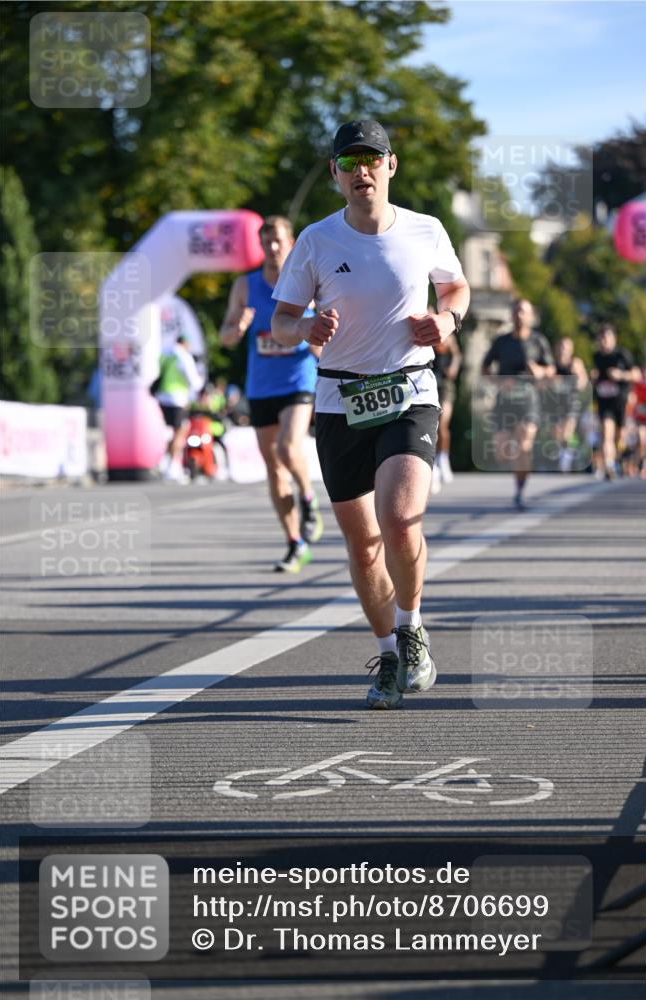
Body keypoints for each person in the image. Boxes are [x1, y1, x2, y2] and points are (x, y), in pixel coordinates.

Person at [271, 119, 470, 709]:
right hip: (339, 400)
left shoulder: (425, 230)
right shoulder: (314, 240)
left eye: (371, 159)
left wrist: (447, 321)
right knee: (363, 548)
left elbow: (456, 289)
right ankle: (387, 654)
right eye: (349, 161)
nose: (362, 171)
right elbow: (281, 322)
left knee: (401, 517)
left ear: (391, 166)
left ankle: (410, 630)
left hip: (409, 390)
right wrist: (304, 326)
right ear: (335, 173)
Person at [220, 215, 323, 573]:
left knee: (286, 446)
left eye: (278, 240)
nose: (272, 248)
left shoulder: (307, 280)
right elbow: (226, 338)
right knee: (273, 468)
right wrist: (239, 326)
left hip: (298, 381)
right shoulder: (245, 286)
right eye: (266, 242)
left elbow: (327, 330)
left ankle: (308, 498)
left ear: (291, 242)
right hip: (261, 385)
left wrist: (319, 346)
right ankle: (295, 542)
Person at [481, 299, 556, 510]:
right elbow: (484, 367)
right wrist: (497, 382)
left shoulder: (538, 341)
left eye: (523, 311)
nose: (519, 315)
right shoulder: (502, 341)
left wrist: (540, 371)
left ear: (531, 316)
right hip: (504, 401)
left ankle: (520, 490)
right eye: (515, 311)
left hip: (528, 400)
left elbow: (551, 369)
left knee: (524, 446)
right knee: (502, 451)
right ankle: (517, 470)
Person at [590, 324, 640, 480]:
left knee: (619, 437)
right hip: (604, 401)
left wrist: (621, 375)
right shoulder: (596, 357)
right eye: (601, 338)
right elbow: (594, 378)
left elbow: (636, 374)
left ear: (614, 339)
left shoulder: (622, 355)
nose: (604, 341)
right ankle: (609, 466)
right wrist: (594, 378)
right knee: (606, 432)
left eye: (607, 338)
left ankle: (616, 458)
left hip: (621, 402)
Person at [154, 333, 204, 482]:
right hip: (177, 398)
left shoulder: (165, 354)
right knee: (180, 431)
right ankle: (172, 466)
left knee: (172, 431)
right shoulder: (183, 356)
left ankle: (165, 463)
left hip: (163, 397)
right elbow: (194, 381)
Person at [549, 337, 588, 473]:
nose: (563, 350)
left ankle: (564, 462)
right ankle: (567, 453)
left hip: (571, 401)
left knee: (567, 431)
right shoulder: (551, 364)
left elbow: (583, 383)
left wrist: (575, 376)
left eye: (566, 347)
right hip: (554, 402)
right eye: (561, 347)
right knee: (555, 433)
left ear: (571, 349)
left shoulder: (575, 363)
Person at [431, 327, 461, 492]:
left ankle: (443, 458)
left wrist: (453, 367)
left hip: (445, 387)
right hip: (430, 385)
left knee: (443, 423)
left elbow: (456, 353)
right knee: (433, 426)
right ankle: (434, 463)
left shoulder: (443, 330)